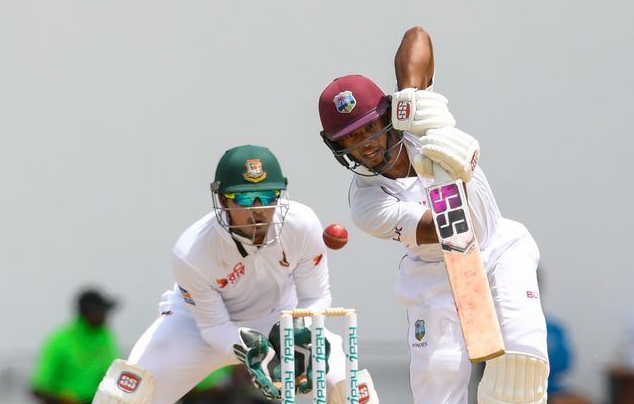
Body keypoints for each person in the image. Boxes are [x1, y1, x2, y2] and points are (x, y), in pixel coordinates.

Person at [316, 26, 549, 404]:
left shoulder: (416, 125)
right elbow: (449, 230)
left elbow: (417, 36)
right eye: (352, 140)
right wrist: (451, 168)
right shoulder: (367, 204)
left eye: (371, 129)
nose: (368, 146)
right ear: (340, 149)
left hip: (498, 249)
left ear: (388, 118)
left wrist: (413, 96)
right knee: (438, 383)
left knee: (520, 369)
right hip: (435, 274)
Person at [92, 144, 378, 404]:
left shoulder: (302, 224)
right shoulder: (193, 251)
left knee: (349, 387)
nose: (258, 210)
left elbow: (316, 295)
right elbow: (213, 327)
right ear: (222, 199)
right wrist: (251, 351)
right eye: (244, 198)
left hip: (282, 319)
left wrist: (300, 330)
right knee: (124, 396)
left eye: (267, 196)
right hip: (196, 328)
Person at [31, 288, 121, 404]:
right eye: (101, 312)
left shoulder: (105, 337)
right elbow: (39, 388)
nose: (105, 316)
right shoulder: (61, 341)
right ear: (88, 312)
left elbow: (112, 375)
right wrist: (65, 400)